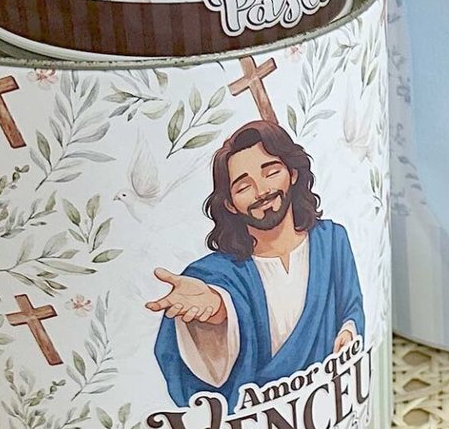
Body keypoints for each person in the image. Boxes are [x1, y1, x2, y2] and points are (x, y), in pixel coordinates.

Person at [149, 121, 363, 407]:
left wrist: (348, 332)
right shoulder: (216, 273)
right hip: (255, 415)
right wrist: (216, 314)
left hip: (327, 400)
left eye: (271, 172)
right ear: (229, 204)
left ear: (292, 173)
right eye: (243, 186)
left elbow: (351, 306)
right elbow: (220, 304)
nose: (261, 191)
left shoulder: (331, 241)